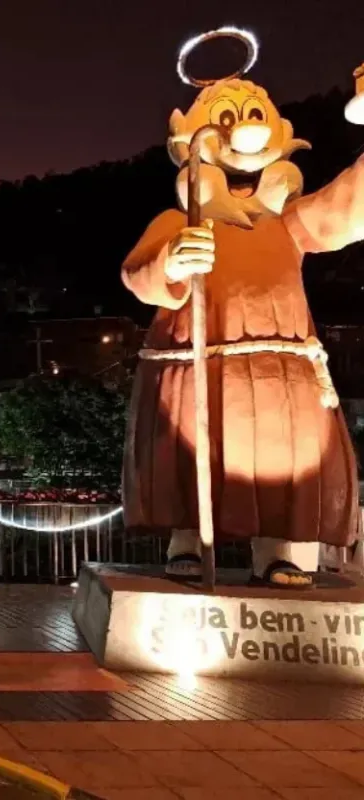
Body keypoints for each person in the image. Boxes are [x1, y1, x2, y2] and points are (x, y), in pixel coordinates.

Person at [122, 70, 364, 587]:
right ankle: (185, 540)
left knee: (279, 460)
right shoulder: (180, 220)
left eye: (255, 116)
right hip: (197, 362)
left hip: (281, 368)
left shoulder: (288, 224)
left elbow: (347, 208)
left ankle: (276, 551)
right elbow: (138, 273)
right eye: (228, 118)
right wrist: (172, 260)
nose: (244, 133)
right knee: (192, 450)